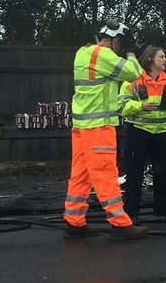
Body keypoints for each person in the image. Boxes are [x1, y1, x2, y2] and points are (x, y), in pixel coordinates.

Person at [63, 20, 147, 239]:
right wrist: (130, 54)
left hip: (81, 126)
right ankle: (120, 224)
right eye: (122, 43)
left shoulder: (82, 53)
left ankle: (74, 221)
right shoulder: (104, 55)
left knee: (80, 175)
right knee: (106, 173)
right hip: (98, 127)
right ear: (116, 40)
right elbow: (134, 73)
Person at [118, 45, 166, 221]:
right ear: (150, 59)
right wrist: (141, 106)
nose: (165, 60)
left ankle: (162, 209)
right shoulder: (132, 81)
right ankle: (131, 213)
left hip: (161, 133)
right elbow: (122, 107)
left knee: (162, 173)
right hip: (137, 132)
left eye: (165, 57)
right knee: (134, 174)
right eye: (161, 56)